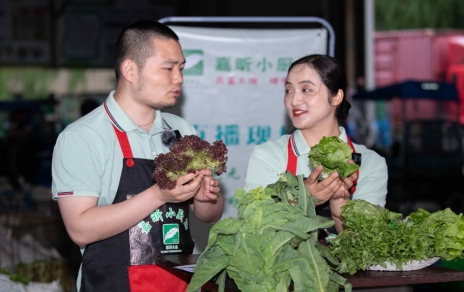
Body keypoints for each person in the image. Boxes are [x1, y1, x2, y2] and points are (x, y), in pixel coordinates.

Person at [51, 20, 224, 291]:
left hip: (180, 284)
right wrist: (158, 195)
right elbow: (80, 228)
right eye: (167, 68)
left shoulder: (182, 131)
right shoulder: (82, 137)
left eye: (181, 68)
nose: (178, 78)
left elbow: (209, 214)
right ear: (130, 70)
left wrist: (205, 198)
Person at [244, 54, 387, 234]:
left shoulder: (370, 163)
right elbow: (254, 230)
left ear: (336, 97)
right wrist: (303, 200)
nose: (294, 101)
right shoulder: (268, 156)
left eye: (306, 90)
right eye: (289, 91)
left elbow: (366, 246)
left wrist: (339, 202)